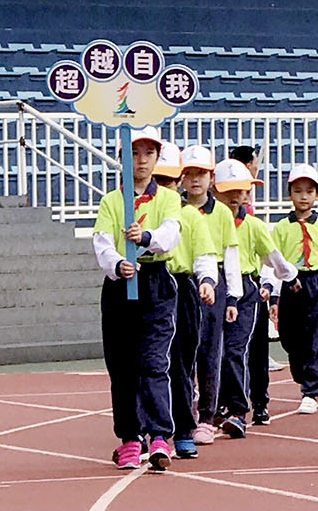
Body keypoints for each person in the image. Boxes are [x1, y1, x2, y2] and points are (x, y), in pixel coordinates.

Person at [92, 126, 181, 471]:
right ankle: (130, 437)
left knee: (154, 362)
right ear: (121, 158)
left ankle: (160, 434)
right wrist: (117, 263)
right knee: (122, 366)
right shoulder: (111, 201)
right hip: (120, 287)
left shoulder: (168, 198)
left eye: (148, 154)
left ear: (157, 159)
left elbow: (170, 233)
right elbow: (101, 241)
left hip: (156, 283)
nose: (141, 161)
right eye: (133, 153)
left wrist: (145, 238)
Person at [213, 158, 295, 438]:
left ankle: (238, 410)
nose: (238, 197)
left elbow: (274, 258)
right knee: (212, 349)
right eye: (231, 191)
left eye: (243, 190)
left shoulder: (254, 226)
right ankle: (215, 403)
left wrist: (288, 277)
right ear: (216, 192)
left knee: (236, 349)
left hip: (246, 288)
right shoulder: (208, 221)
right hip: (212, 284)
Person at [176, 145, 243, 451]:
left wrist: (232, 297)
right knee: (182, 349)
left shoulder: (222, 215)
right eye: (189, 173)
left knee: (210, 350)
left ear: (211, 177)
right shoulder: (173, 210)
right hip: (181, 280)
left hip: (213, 282)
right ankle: (184, 410)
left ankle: (207, 415)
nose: (194, 180)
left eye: (201, 173)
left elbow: (230, 256)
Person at [160, 144, 219, 459]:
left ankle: (183, 428)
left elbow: (205, 255)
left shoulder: (190, 217)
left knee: (182, 363)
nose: (164, 188)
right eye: (159, 180)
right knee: (149, 363)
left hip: (181, 289)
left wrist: (207, 281)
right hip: (147, 286)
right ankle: (152, 428)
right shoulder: (141, 211)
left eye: (169, 181)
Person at [272, 163, 318, 414]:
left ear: (316, 195)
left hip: (315, 282)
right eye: (298, 191)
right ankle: (301, 373)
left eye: (309, 191)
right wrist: (275, 296)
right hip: (291, 284)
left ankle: (312, 390)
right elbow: (275, 262)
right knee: (290, 337)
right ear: (290, 194)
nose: (303, 196)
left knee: (316, 336)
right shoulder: (281, 228)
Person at [230, 144, 274, 425]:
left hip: (252, 285)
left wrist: (270, 282)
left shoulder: (253, 220)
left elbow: (269, 255)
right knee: (228, 349)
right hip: (225, 287)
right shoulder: (219, 218)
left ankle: (258, 402)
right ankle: (231, 403)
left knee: (256, 348)